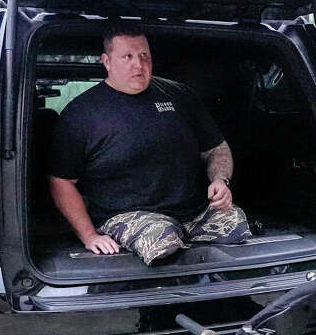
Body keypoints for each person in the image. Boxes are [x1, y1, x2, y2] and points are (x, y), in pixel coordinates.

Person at [48, 22, 250, 265]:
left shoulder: (180, 95)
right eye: (128, 56)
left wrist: (220, 181)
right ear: (107, 61)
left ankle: (225, 294)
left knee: (236, 225)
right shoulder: (81, 113)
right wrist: (89, 236)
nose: (139, 64)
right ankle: (176, 299)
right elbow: (61, 182)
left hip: (190, 211)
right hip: (127, 215)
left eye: (144, 55)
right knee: (162, 239)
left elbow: (216, 148)